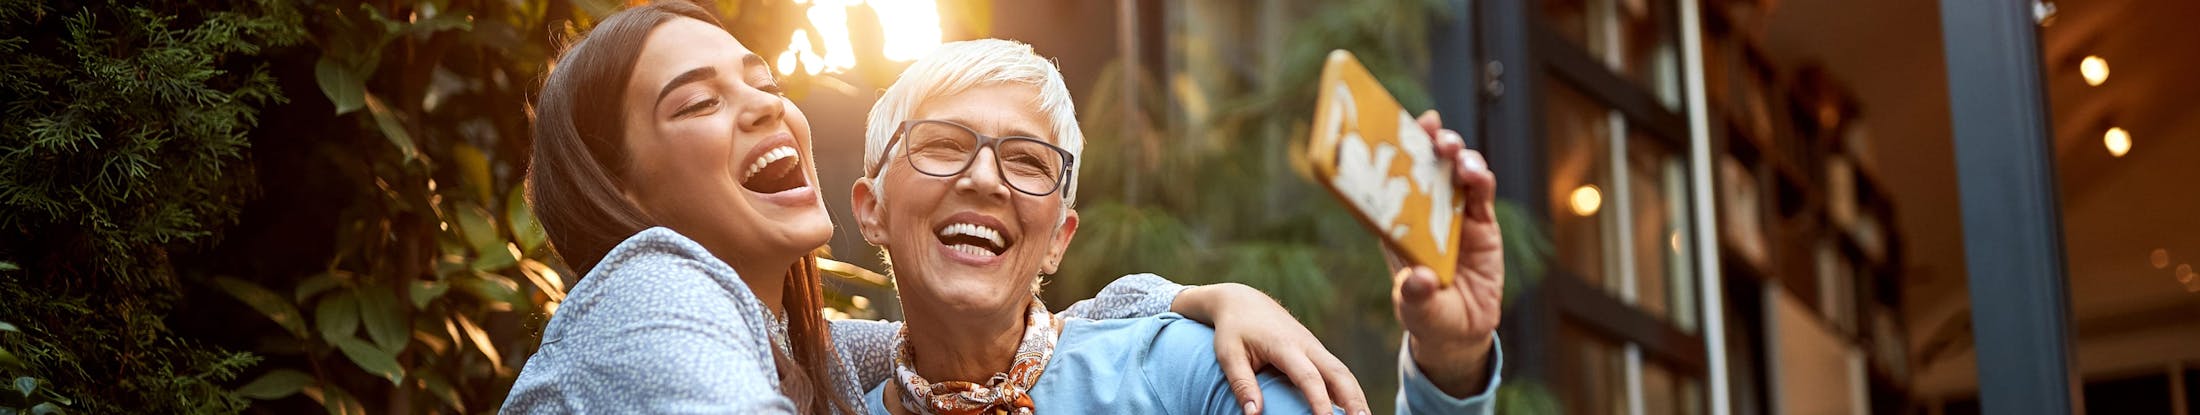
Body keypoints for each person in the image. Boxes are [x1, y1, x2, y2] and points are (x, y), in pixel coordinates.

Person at [502, 2, 1370, 413]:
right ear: (869, 208)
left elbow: (1022, 339)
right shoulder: (654, 294)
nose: (767, 106)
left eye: (764, 83)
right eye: (697, 102)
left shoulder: (811, 360)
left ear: (1061, 232)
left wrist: (1191, 297)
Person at [848, 39, 1507, 414]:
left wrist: (1450, 364)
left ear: (1058, 239)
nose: (985, 178)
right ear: (870, 208)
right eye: (940, 145)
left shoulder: (1192, 368)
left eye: (1025, 159)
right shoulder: (819, 401)